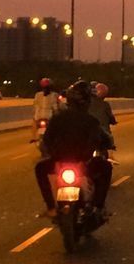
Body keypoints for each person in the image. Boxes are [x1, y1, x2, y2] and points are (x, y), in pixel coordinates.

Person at [35, 80, 112, 217]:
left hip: (59, 162)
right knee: (106, 167)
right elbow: (102, 139)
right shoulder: (90, 121)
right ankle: (98, 206)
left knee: (40, 168)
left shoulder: (57, 118)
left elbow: (46, 140)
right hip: (83, 163)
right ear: (87, 102)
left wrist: (53, 154)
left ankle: (51, 207)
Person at [88, 81, 118, 151]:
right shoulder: (105, 104)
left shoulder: (86, 103)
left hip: (88, 131)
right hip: (102, 131)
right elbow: (111, 117)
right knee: (110, 143)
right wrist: (113, 121)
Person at [31, 77, 61, 142]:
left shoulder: (37, 95)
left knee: (34, 123)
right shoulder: (53, 95)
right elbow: (55, 107)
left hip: (39, 116)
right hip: (48, 116)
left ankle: (33, 137)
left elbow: (35, 105)